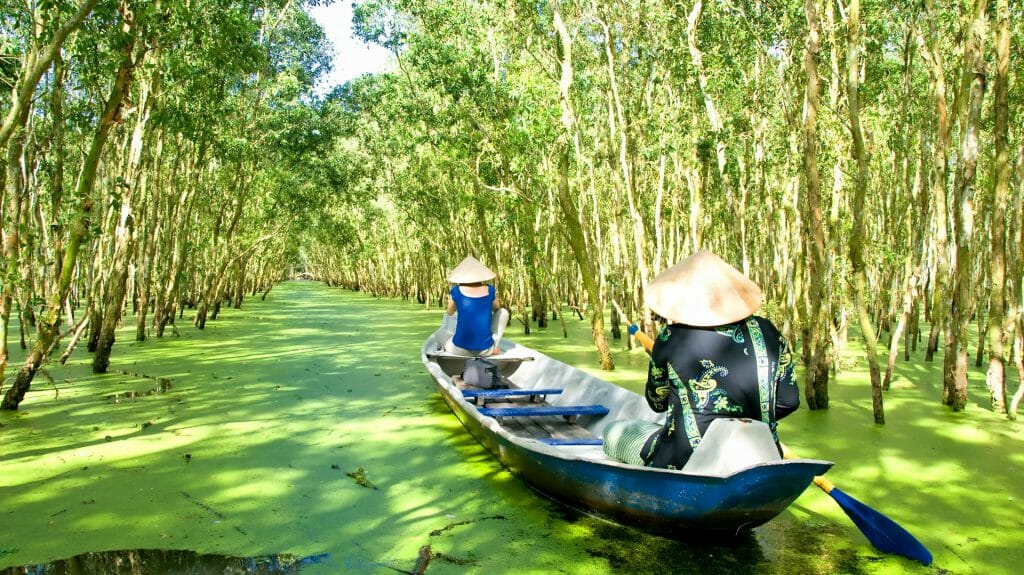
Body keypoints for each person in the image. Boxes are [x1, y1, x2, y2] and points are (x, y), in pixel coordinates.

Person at [602, 250, 800, 470]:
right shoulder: (768, 332)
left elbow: (656, 401)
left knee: (612, 432)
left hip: (686, 459)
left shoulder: (670, 336)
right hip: (762, 457)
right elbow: (788, 402)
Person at [440, 256, 509, 357]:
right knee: (503, 312)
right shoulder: (490, 290)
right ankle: (494, 346)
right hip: (486, 351)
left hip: (459, 349)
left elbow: (449, 312)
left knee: (444, 338)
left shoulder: (456, 291)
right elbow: (497, 309)